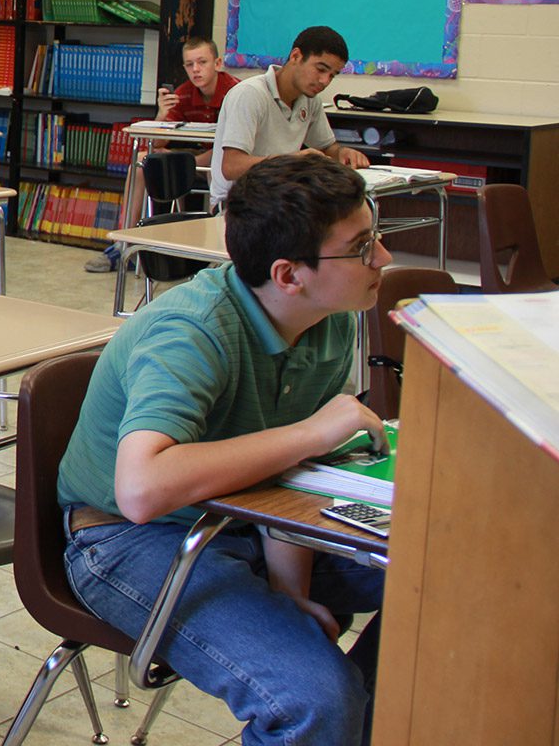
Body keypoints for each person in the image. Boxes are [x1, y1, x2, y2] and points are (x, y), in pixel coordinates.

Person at [57, 152, 390, 745]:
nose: (383, 258)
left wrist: (291, 593)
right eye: (362, 247)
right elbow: (141, 489)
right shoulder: (193, 330)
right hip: (129, 537)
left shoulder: (329, 318)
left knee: (456, 580)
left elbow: (288, 475)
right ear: (289, 275)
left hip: (244, 520)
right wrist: (311, 432)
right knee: (315, 699)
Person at [85, 36, 237, 273]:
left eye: (202, 62)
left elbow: (231, 145)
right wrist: (162, 115)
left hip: (222, 159)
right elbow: (157, 142)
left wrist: (190, 162)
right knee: (142, 160)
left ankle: (213, 254)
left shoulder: (235, 92)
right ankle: (124, 242)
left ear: (217, 63)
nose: (196, 70)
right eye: (189, 64)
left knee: (217, 161)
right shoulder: (184, 93)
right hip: (193, 156)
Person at [210, 25, 370, 205]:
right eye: (320, 69)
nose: (325, 81)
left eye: (332, 75)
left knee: (349, 207)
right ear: (296, 56)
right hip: (239, 205)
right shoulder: (250, 94)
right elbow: (231, 167)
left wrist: (342, 153)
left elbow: (326, 148)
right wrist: (291, 161)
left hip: (281, 201)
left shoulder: (310, 100)